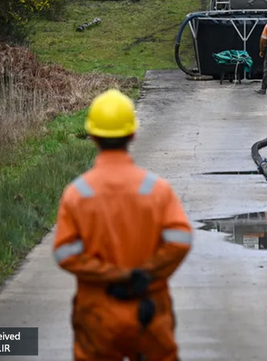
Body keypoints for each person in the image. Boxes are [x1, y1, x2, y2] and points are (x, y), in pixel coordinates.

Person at [53, 89, 193, 361]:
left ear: (92, 137)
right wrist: (144, 275)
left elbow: (65, 254)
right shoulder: (156, 190)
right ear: (132, 135)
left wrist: (115, 276)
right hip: (148, 310)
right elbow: (179, 241)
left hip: (97, 313)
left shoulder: (78, 193)